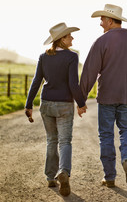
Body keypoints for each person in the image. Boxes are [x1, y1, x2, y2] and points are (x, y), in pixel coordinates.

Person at [79, 4, 127, 188]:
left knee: (106, 135)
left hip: (107, 97)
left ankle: (109, 177)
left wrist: (81, 99)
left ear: (110, 20)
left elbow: (89, 72)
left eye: (102, 19)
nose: (100, 23)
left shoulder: (101, 42)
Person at [25, 22, 87, 196]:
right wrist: (81, 104)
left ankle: (51, 177)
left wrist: (28, 104)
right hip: (64, 105)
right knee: (65, 141)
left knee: (52, 140)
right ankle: (64, 172)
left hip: (46, 103)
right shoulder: (72, 57)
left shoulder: (43, 57)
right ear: (62, 39)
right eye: (69, 35)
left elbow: (36, 81)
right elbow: (73, 84)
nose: (72, 37)